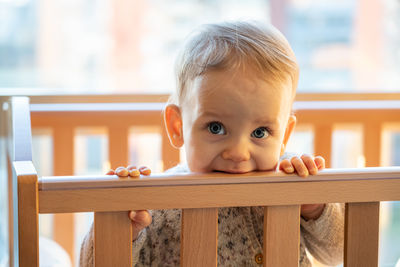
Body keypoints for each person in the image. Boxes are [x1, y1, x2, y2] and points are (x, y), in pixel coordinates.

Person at [80, 21, 343, 266]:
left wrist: (316, 209)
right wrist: (121, 228)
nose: (238, 153)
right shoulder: (157, 202)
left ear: (284, 136)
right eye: (216, 128)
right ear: (178, 126)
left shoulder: (292, 183)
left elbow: (340, 253)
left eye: (260, 132)